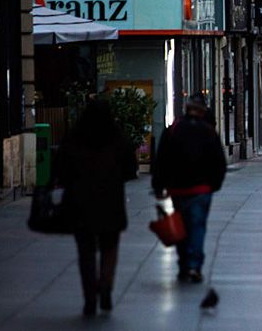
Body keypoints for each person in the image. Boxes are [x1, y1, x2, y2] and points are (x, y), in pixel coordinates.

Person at [58, 99, 136, 317]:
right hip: (110, 204)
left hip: (81, 204)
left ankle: (90, 296)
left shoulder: (74, 140)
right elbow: (130, 169)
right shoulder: (118, 140)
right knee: (110, 248)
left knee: (86, 252)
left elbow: (61, 171)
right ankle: (106, 287)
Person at [152, 95, 227, 284]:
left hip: (178, 189)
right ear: (202, 111)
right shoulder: (209, 132)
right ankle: (194, 265)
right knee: (197, 226)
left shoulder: (173, 130)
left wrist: (159, 185)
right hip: (201, 189)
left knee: (181, 226)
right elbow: (219, 162)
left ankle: (184, 263)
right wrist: (214, 185)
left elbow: (161, 160)